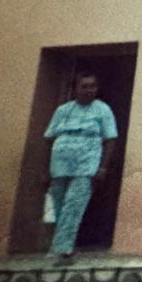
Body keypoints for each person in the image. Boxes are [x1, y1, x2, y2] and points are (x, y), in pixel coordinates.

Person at [44, 73, 118, 262]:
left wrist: (102, 168)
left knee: (74, 204)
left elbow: (110, 139)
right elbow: (49, 137)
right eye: (84, 86)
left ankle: (62, 249)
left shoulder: (102, 109)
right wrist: (45, 167)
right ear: (75, 89)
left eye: (92, 86)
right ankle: (63, 245)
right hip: (60, 164)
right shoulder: (63, 110)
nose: (89, 90)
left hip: (86, 163)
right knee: (58, 204)